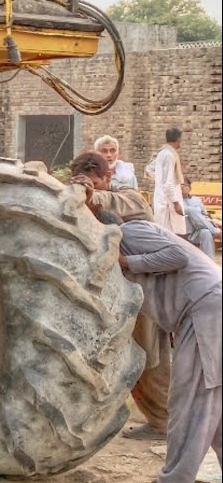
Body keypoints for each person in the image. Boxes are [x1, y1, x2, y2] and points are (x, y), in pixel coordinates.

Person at [70, 152, 171, 441]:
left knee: (148, 358)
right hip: (110, 295)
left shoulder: (131, 198)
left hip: (145, 292)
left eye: (97, 182)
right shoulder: (82, 205)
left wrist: (91, 195)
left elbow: (110, 203)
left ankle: (163, 422)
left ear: (108, 178)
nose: (93, 189)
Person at [117, 219, 221, 483]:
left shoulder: (128, 231)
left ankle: (174, 479)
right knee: (212, 401)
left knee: (190, 399)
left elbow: (177, 256)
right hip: (203, 309)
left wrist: (127, 262)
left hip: (205, 309)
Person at [148, 128, 187, 235]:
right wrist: (176, 203)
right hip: (167, 201)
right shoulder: (169, 155)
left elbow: (149, 169)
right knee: (168, 234)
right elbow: (168, 183)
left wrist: (159, 180)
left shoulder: (162, 153)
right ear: (178, 139)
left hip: (163, 197)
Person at [183, 180, 221, 258]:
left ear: (189, 188)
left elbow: (205, 214)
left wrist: (211, 220)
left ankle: (210, 263)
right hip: (187, 232)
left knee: (206, 232)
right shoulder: (176, 202)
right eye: (180, 185)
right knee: (192, 210)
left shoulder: (197, 200)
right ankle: (214, 231)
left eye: (184, 185)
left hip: (199, 231)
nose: (182, 187)